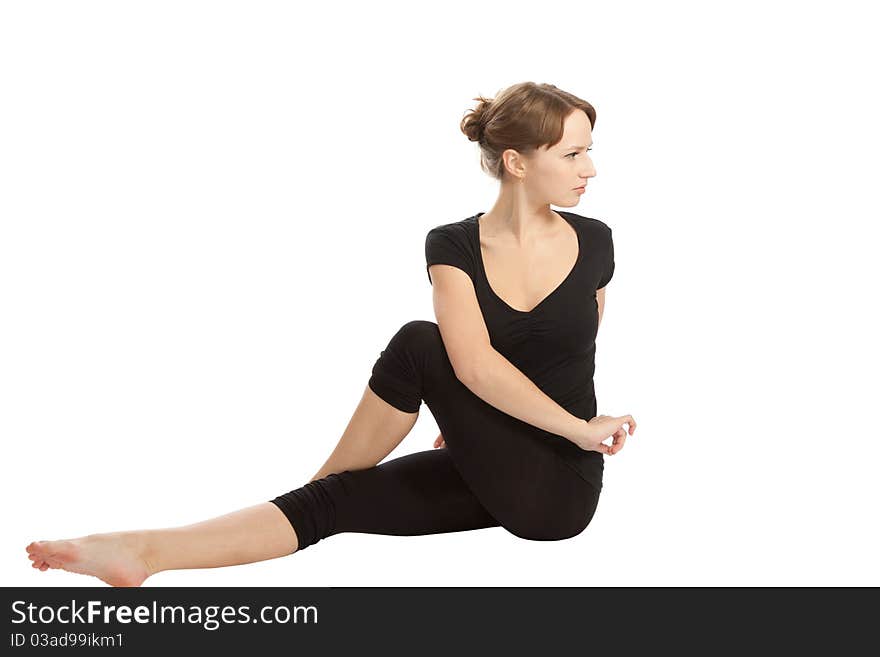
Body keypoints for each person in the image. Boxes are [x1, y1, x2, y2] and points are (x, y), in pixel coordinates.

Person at [25, 81, 637, 586]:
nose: (590, 168)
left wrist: (575, 431)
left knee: (417, 344)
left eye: (587, 151)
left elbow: (559, 362)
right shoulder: (452, 245)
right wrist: (474, 436)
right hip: (494, 466)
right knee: (337, 503)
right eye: (572, 154)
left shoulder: (595, 240)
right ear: (517, 161)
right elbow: (475, 368)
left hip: (559, 487)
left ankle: (314, 489)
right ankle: (142, 552)